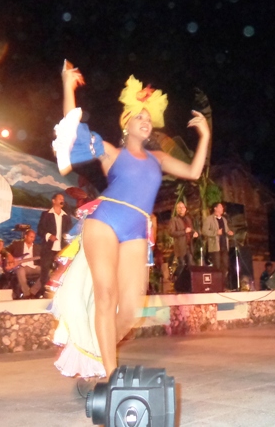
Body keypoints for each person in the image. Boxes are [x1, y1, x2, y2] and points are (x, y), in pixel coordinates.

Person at [50, 61, 210, 380]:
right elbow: (72, 131)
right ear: (126, 124)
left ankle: (96, 350)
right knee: (106, 295)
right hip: (105, 220)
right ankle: (111, 375)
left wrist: (205, 135)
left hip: (137, 229)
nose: (145, 122)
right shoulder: (112, 152)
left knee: (131, 310)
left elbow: (194, 172)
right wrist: (68, 85)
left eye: (148, 118)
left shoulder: (158, 159)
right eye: (139, 117)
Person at [38, 193, 73, 294]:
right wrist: (49, 236)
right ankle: (44, 292)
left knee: (62, 270)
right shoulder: (46, 214)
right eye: (60, 198)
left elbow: (70, 232)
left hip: (62, 249)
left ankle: (59, 293)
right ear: (53, 201)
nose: (62, 200)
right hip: (48, 248)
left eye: (63, 199)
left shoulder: (66, 216)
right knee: (45, 271)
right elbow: (40, 230)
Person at [202, 202, 234, 288]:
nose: (222, 208)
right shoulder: (209, 219)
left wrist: (229, 232)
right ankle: (216, 285)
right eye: (220, 207)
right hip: (215, 246)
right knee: (217, 266)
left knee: (225, 265)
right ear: (215, 208)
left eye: (222, 207)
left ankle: (223, 284)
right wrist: (216, 232)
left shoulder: (224, 219)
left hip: (224, 245)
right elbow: (204, 231)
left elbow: (226, 230)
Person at [6, 229, 42, 299]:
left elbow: (42, 258)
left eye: (34, 237)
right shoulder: (16, 244)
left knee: (46, 273)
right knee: (20, 271)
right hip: (21, 266)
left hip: (33, 267)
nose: (32, 239)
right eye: (31, 237)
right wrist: (9, 255)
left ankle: (33, 291)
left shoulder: (38, 247)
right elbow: (4, 250)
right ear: (25, 236)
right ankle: (26, 294)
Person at [168, 201, 198, 276]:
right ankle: (175, 277)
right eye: (179, 208)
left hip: (189, 245)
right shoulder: (174, 220)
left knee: (191, 264)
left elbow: (191, 230)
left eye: (182, 207)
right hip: (180, 246)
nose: (181, 209)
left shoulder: (188, 219)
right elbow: (171, 232)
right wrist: (184, 232)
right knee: (181, 264)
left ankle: (189, 281)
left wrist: (194, 233)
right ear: (177, 210)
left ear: (185, 209)